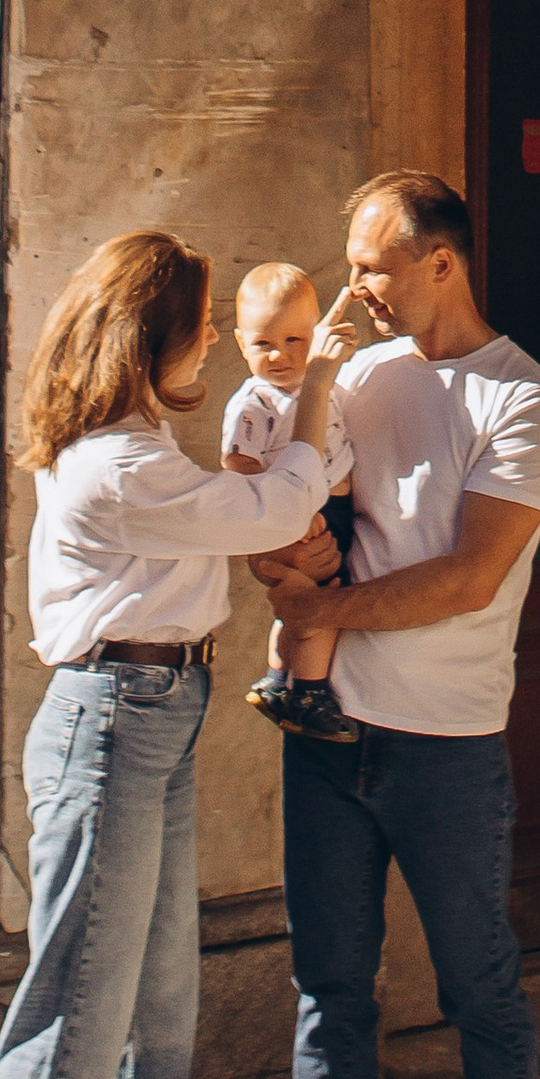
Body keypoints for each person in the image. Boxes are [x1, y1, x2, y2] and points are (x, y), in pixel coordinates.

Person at [0, 229, 342, 1079]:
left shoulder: (140, 442)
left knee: (155, 1013)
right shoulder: (117, 466)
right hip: (114, 721)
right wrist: (315, 377)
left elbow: (247, 507)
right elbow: (276, 509)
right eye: (204, 317)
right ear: (154, 334)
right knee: (78, 1013)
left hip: (157, 711)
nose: (218, 335)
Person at [245, 170, 540, 1079]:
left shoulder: (522, 398)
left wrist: (321, 616)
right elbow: (278, 505)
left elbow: (470, 575)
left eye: (374, 263)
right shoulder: (361, 375)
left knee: (479, 982)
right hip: (329, 732)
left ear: (443, 261)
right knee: (329, 980)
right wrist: (283, 570)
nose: (356, 284)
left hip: (448, 739)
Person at [225, 259, 356, 741]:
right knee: (324, 601)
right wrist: (287, 519)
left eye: (293, 341)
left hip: (331, 509)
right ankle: (311, 691)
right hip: (306, 517)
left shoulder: (322, 384)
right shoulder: (255, 403)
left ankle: (278, 680)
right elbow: (239, 464)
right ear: (242, 343)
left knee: (297, 601)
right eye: (263, 344)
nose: (278, 355)